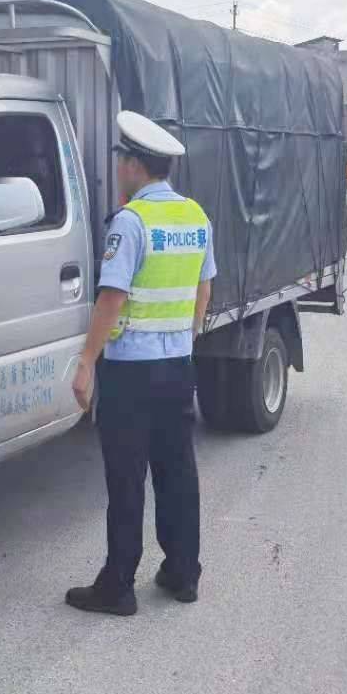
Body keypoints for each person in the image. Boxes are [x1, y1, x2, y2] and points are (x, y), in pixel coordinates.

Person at [66, 110, 216, 616]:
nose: (119, 169)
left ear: (134, 164)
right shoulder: (195, 216)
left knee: (126, 478)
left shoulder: (130, 221)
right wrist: (187, 339)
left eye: (121, 161)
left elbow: (111, 297)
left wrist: (87, 361)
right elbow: (203, 285)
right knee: (178, 472)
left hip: (130, 373)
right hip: (177, 367)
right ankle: (182, 573)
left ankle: (118, 587)